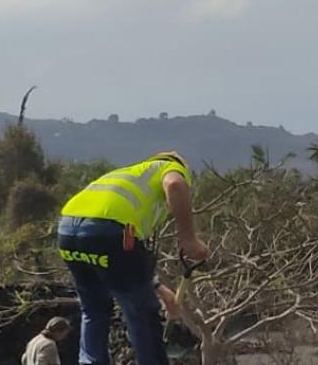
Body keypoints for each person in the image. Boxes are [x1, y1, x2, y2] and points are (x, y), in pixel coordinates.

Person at [56, 151, 211, 365]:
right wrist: (189, 239)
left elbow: (128, 266)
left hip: (67, 232)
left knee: (94, 308)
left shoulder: (129, 175)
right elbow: (175, 185)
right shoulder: (169, 168)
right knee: (141, 311)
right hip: (109, 233)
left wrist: (158, 288)